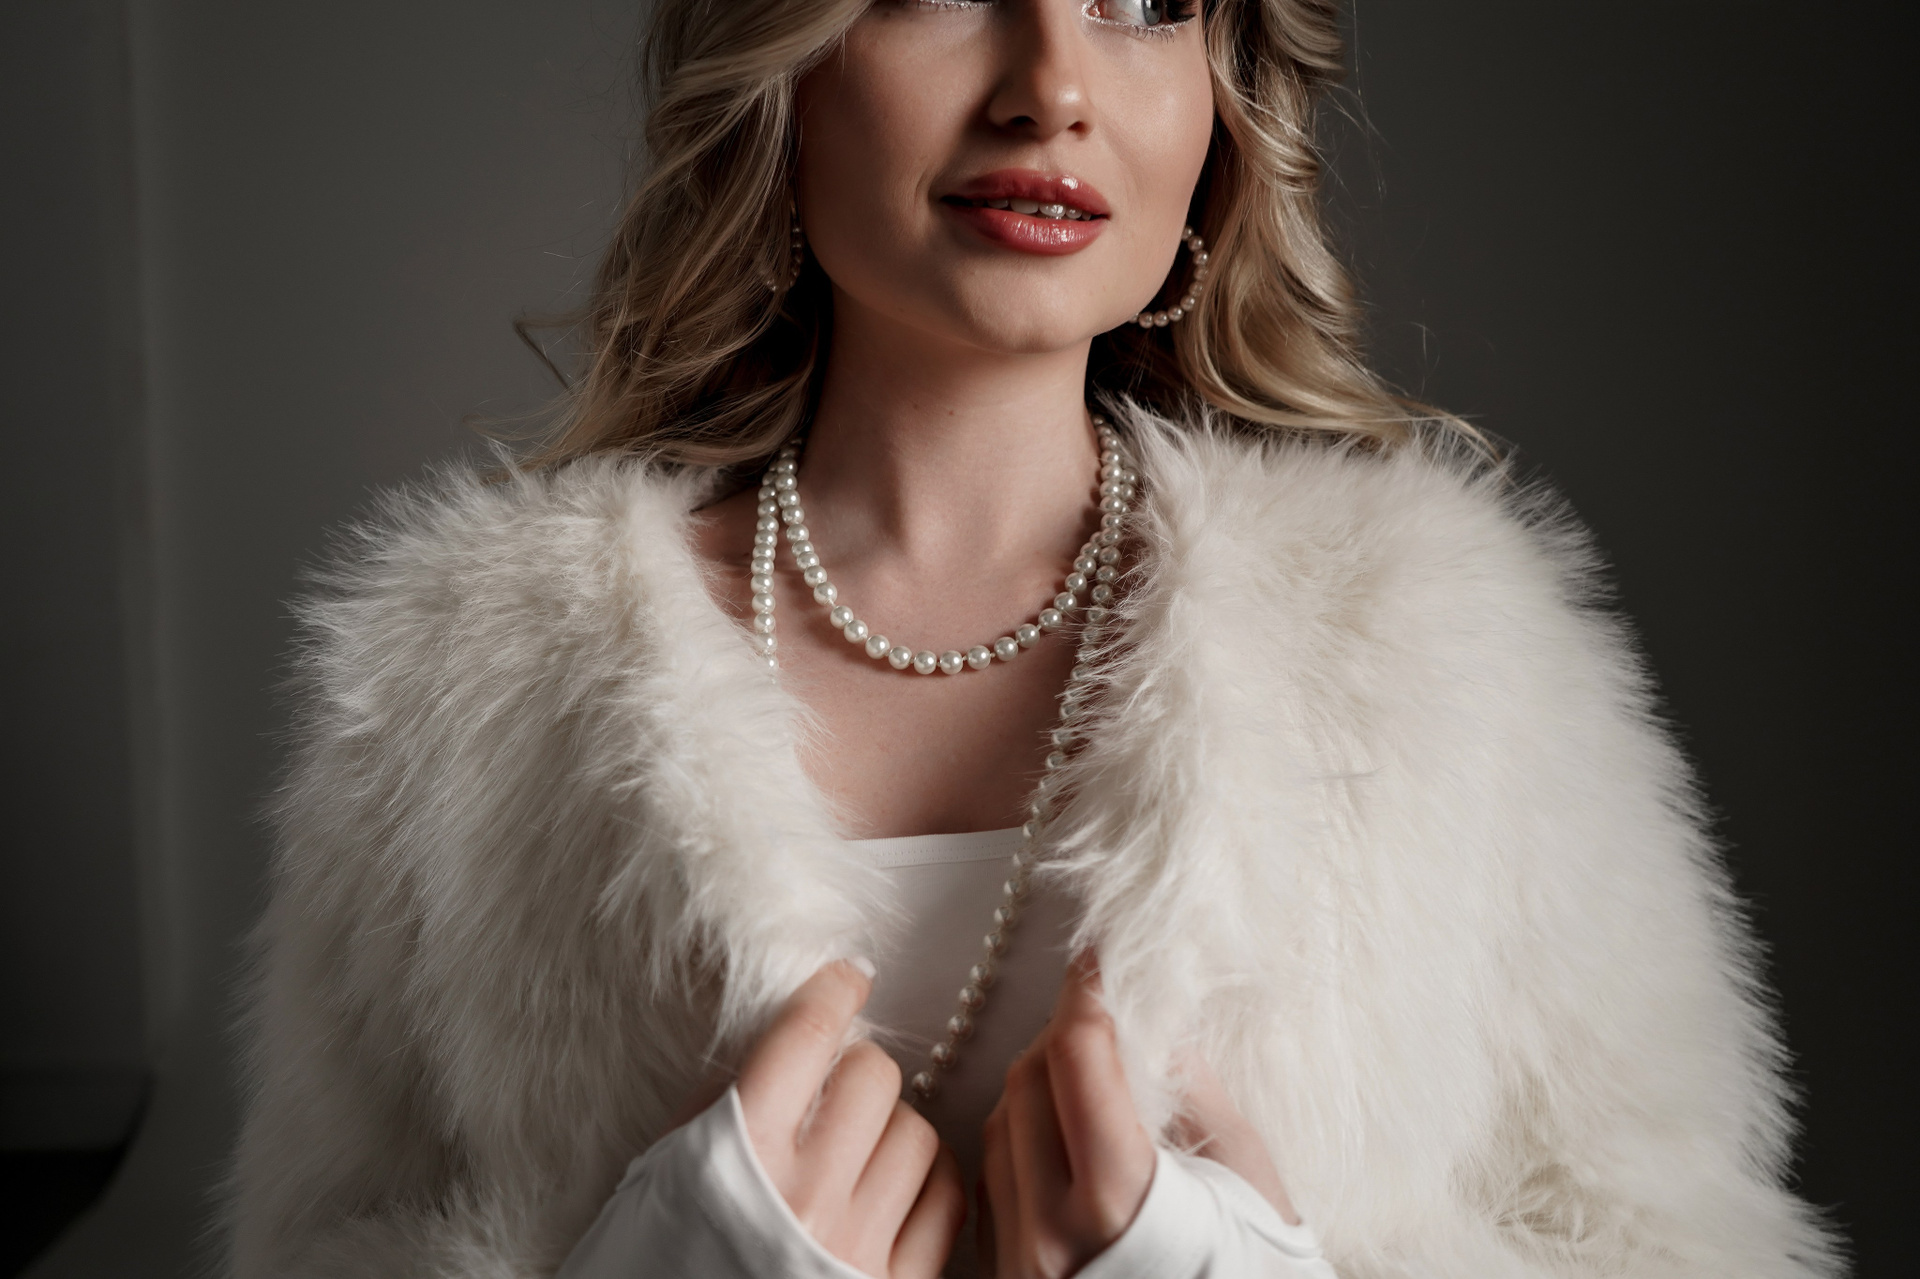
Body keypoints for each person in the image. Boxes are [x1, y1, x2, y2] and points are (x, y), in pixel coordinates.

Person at [227, 1, 1840, 1276]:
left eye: (1145, 0)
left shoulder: (1440, 645)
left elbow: (1685, 1245)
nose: (1051, 86)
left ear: (1222, 103)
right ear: (782, 61)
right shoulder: (458, 687)